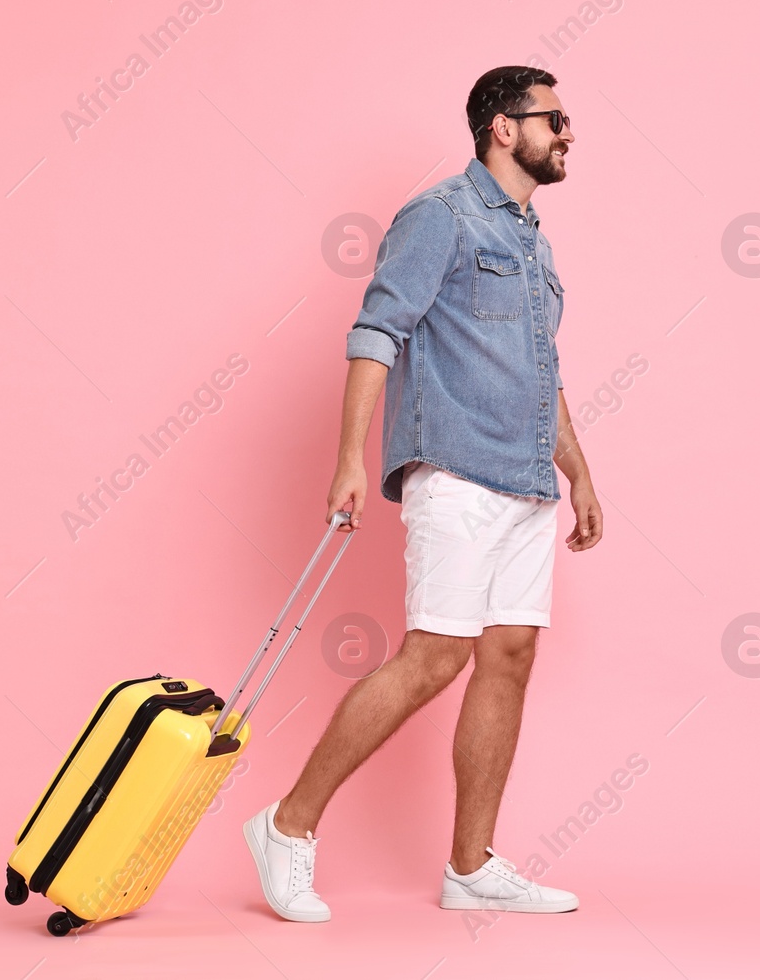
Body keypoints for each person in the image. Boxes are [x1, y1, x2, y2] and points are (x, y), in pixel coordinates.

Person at [243, 66, 603, 922]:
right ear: (504, 129)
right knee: (435, 655)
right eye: (556, 118)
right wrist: (351, 458)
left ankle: (470, 866)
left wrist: (580, 471)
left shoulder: (533, 242)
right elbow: (377, 329)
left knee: (509, 655)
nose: (569, 132)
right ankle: (287, 826)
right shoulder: (438, 216)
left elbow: (542, 371)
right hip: (456, 470)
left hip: (525, 479)